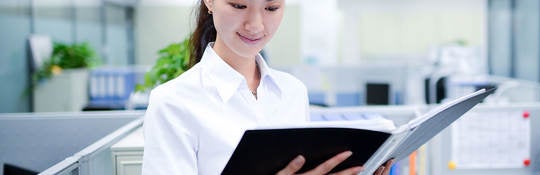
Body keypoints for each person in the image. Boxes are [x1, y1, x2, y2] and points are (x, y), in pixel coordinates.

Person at [141, 0, 393, 174]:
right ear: (209, 2)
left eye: (271, 7)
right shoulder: (174, 102)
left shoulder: (292, 92)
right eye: (239, 5)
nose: (256, 25)